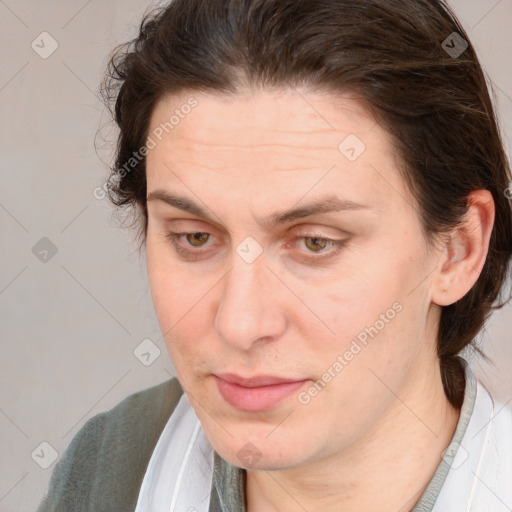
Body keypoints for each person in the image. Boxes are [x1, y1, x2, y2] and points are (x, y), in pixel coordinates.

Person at [37, 0, 512, 511]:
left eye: (315, 243)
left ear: (456, 251)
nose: (240, 324)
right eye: (195, 237)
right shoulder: (113, 469)